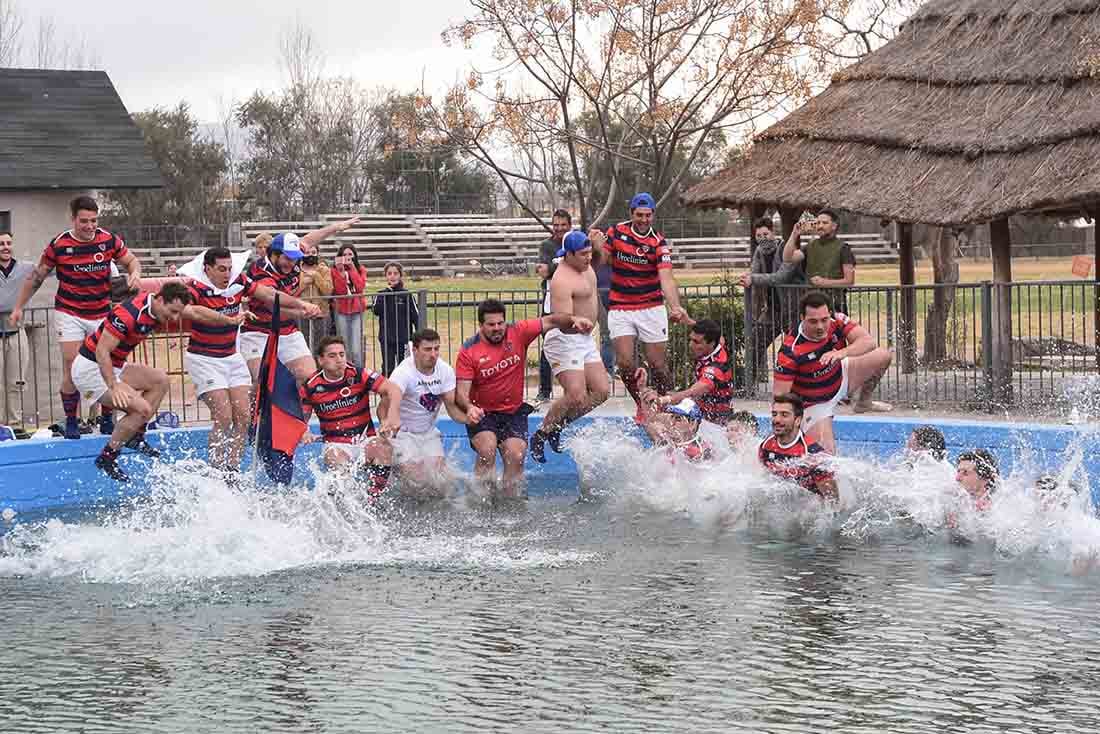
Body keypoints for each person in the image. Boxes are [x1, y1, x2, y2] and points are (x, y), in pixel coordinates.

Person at [8, 196, 143, 439]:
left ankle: (106, 418)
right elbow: (37, 277)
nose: (90, 226)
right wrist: (19, 307)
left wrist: (135, 273)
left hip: (101, 312)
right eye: (84, 221)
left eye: (93, 220)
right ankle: (71, 420)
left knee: (106, 364)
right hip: (69, 312)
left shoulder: (108, 240)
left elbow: (132, 261)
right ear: (73, 219)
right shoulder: (59, 245)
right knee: (72, 366)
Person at [455, 298, 593, 499]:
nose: (497, 328)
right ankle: (480, 501)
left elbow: (552, 320)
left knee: (516, 455)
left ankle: (511, 505)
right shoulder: (469, 351)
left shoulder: (518, 332)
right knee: (487, 449)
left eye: (500, 323)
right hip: (483, 413)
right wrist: (469, 408)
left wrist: (574, 319)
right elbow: (461, 393)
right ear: (481, 325)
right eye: (491, 325)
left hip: (513, 412)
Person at [177, 247, 286, 475]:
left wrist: (300, 305)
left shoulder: (239, 280)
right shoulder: (194, 287)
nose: (227, 274)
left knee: (244, 417)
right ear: (207, 269)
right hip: (204, 359)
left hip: (231, 357)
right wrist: (228, 319)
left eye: (229, 268)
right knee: (224, 417)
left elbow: (267, 294)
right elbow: (190, 311)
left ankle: (232, 470)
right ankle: (216, 469)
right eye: (221, 269)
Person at [71, 283, 193, 482]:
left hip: (115, 365)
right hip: (90, 369)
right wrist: (114, 385)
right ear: (160, 300)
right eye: (172, 312)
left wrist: (228, 320)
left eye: (179, 313)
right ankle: (108, 457)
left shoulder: (156, 308)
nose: (175, 318)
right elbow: (102, 351)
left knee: (160, 380)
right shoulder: (128, 314)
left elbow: (196, 313)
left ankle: (135, 435)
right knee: (141, 410)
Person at [590, 192, 691, 423]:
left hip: (651, 307)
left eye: (648, 215)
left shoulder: (658, 242)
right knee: (624, 362)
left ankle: (665, 404)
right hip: (621, 307)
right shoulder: (616, 233)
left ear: (653, 214)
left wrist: (675, 307)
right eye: (639, 215)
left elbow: (666, 277)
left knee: (658, 364)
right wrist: (596, 247)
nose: (644, 219)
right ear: (631, 214)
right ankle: (642, 405)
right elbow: (598, 262)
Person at [239, 219, 359, 384]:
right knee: (262, 380)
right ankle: (255, 409)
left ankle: (302, 410)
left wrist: (336, 227)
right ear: (273, 254)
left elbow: (310, 240)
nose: (292, 263)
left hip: (287, 331)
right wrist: (302, 308)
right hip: (258, 332)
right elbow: (274, 303)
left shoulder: (292, 254)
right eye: (287, 259)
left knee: (310, 378)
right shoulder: (260, 271)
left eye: (295, 259)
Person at [773, 291, 893, 454]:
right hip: (815, 404)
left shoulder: (838, 319)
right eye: (813, 322)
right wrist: (787, 432)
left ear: (830, 314)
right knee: (827, 456)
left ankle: (863, 403)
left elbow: (868, 342)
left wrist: (840, 353)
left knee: (883, 355)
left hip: (842, 376)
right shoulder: (790, 351)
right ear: (802, 318)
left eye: (824, 320)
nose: (820, 327)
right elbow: (779, 397)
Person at [530, 231, 610, 463]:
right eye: (583, 254)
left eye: (589, 254)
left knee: (602, 391)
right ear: (570, 255)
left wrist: (596, 244)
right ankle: (541, 433)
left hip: (583, 339)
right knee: (576, 394)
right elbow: (560, 319)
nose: (588, 258)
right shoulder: (561, 280)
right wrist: (574, 320)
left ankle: (557, 426)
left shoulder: (586, 265)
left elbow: (598, 258)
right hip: (563, 338)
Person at [298, 336, 403, 499]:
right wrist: (304, 433)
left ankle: (374, 501)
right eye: (332, 356)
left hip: (364, 440)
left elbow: (393, 389)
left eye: (342, 354)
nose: (339, 360)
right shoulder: (310, 386)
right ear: (320, 360)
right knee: (339, 469)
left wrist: (392, 416)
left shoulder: (359, 374)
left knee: (384, 448)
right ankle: (339, 505)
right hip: (336, 444)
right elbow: (300, 420)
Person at [387, 328, 484, 495]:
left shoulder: (444, 371)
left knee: (441, 483)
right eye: (427, 349)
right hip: (403, 433)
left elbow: (452, 409)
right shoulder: (403, 373)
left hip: (428, 432)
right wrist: (390, 426)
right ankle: (396, 475)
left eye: (436, 348)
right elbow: (389, 405)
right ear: (415, 351)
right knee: (416, 479)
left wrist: (469, 418)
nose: (433, 354)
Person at [645, 319, 734, 449]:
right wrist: (689, 321)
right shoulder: (717, 344)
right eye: (691, 339)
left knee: (657, 425)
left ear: (711, 343)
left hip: (713, 426)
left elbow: (694, 391)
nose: (691, 345)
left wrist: (670, 398)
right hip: (700, 415)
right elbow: (716, 333)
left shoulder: (716, 368)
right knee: (653, 424)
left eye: (696, 342)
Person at [738, 217, 804, 380]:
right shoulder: (759, 252)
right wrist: (747, 277)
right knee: (755, 344)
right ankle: (748, 385)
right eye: (758, 236)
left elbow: (781, 277)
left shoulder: (785, 249)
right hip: (772, 309)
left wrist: (753, 278)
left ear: (773, 232)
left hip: (792, 309)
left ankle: (795, 385)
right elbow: (754, 272)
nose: (762, 238)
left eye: (765, 234)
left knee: (792, 350)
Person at [757, 394, 838, 500]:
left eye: (784, 415)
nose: (777, 420)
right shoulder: (766, 446)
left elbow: (832, 500)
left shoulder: (812, 455)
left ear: (797, 421)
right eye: (774, 414)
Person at [782, 210, 856, 314]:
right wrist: (794, 234)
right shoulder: (810, 246)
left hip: (835, 306)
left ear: (834, 226)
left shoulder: (843, 248)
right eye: (818, 223)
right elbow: (787, 258)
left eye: (825, 223)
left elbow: (849, 281)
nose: (820, 226)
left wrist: (824, 283)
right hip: (810, 305)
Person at [536, 209, 571, 401]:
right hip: (550, 303)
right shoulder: (547, 245)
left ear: (569, 225)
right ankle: (544, 390)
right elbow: (543, 270)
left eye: (562, 225)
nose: (558, 229)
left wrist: (553, 268)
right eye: (555, 225)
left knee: (574, 345)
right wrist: (562, 266)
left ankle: (574, 390)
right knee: (548, 346)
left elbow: (580, 265)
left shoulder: (575, 242)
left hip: (573, 304)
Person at [0, 231, 33, 427]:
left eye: (8, 243)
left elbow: (50, 270)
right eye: (1, 243)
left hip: (16, 334)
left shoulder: (25, 268)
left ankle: (15, 424)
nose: (5, 246)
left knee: (17, 382)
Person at [372, 261, 420, 376]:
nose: (392, 276)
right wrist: (386, 294)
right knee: (387, 368)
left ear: (400, 276)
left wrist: (418, 338)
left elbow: (416, 317)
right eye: (389, 273)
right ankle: (387, 392)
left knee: (404, 368)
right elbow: (376, 310)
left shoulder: (407, 294)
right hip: (386, 338)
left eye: (395, 273)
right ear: (386, 276)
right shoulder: (381, 294)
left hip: (403, 339)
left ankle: (405, 393)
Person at [331, 244, 368, 369]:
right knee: (344, 345)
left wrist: (352, 269)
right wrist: (341, 272)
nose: (347, 257)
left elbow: (360, 287)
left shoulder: (361, 269)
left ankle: (359, 375)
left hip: (357, 311)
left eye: (350, 255)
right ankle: (346, 373)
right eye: (344, 255)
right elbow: (340, 291)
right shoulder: (335, 270)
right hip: (341, 311)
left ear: (354, 256)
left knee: (356, 348)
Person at [298, 237, 334, 355]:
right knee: (303, 346)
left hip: (321, 313)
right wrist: (304, 283)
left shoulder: (324, 270)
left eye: (313, 252)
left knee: (320, 347)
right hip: (302, 314)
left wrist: (317, 277)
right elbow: (292, 292)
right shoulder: (296, 270)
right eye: (307, 253)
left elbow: (328, 291)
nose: (310, 255)